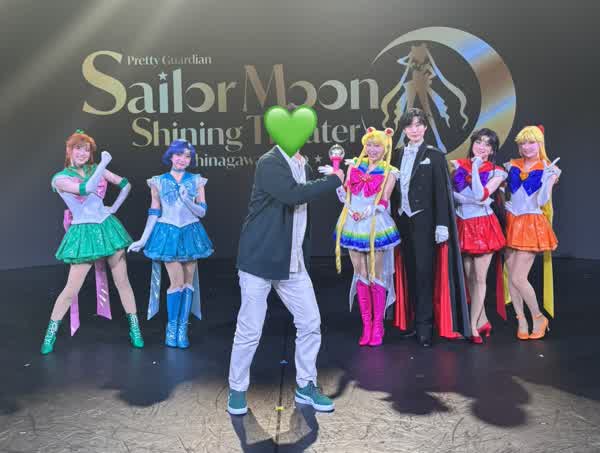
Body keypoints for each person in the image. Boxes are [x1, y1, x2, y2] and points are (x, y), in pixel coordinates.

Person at [227, 131, 344, 416]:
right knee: (250, 329)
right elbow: (293, 194)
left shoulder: (303, 165)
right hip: (259, 260)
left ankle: (306, 385)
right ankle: (237, 389)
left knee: (310, 322)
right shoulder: (269, 162)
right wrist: (334, 180)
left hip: (292, 262)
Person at [41, 130, 144, 354]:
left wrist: (113, 207)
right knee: (71, 289)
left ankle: (135, 328)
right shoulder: (59, 178)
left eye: (87, 150)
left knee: (123, 282)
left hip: (108, 228)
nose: (82, 153)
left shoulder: (95, 169)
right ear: (69, 150)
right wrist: (103, 163)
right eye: (78, 148)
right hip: (83, 232)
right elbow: (85, 189)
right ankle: (50, 333)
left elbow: (126, 184)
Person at [390, 108, 469, 347]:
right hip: (402, 221)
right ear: (404, 129)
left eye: (418, 125)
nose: (414, 130)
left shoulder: (434, 155)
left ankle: (425, 326)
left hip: (425, 222)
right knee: (410, 273)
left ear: (425, 127)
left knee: (424, 274)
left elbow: (442, 193)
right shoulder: (396, 155)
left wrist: (442, 224)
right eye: (409, 126)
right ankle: (414, 323)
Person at [129, 139, 213, 348]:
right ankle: (172, 328)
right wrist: (143, 239)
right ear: (171, 156)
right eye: (178, 155)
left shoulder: (197, 181)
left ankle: (182, 329)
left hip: (191, 232)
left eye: (187, 156)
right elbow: (154, 212)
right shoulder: (157, 181)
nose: (182, 159)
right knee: (176, 283)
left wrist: (187, 200)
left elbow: (202, 212)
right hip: (168, 233)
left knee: (188, 283)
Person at [332, 127, 401, 346]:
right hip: (353, 223)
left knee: (375, 275)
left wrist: (369, 211)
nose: (372, 149)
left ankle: (378, 326)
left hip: (374, 224)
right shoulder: (354, 165)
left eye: (377, 146)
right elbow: (345, 195)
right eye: (369, 145)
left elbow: (385, 200)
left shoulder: (390, 171)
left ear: (385, 148)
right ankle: (367, 326)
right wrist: (338, 180)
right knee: (360, 274)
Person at [451, 128, 507, 343]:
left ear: (492, 150)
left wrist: (475, 169)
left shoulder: (497, 172)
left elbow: (480, 194)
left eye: (487, 144)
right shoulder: (457, 165)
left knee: (480, 278)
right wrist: (465, 199)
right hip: (463, 223)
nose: (481, 147)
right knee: (469, 278)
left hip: (483, 226)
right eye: (478, 142)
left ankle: (472, 325)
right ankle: (482, 320)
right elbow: (452, 195)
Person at [503, 125, 560, 340]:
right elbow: (506, 192)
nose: (527, 147)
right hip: (511, 221)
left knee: (519, 277)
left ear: (540, 144)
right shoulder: (511, 165)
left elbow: (543, 200)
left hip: (531, 223)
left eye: (531, 142)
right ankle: (521, 320)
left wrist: (547, 178)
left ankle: (538, 317)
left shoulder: (549, 168)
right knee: (512, 276)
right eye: (523, 143)